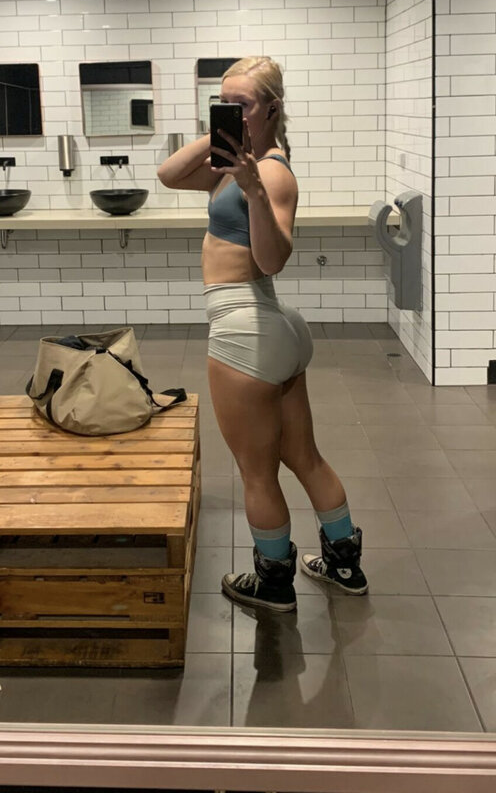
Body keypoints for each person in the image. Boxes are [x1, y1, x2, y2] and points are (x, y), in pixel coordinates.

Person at [157, 56, 368, 613]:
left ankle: (273, 583)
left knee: (257, 473)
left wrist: (252, 190)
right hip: (273, 330)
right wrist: (222, 134)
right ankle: (344, 565)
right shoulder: (232, 164)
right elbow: (168, 174)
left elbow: (273, 259)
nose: (231, 111)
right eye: (222, 103)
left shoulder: (272, 174)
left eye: (242, 104)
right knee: (305, 457)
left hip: (245, 330)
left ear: (272, 108)